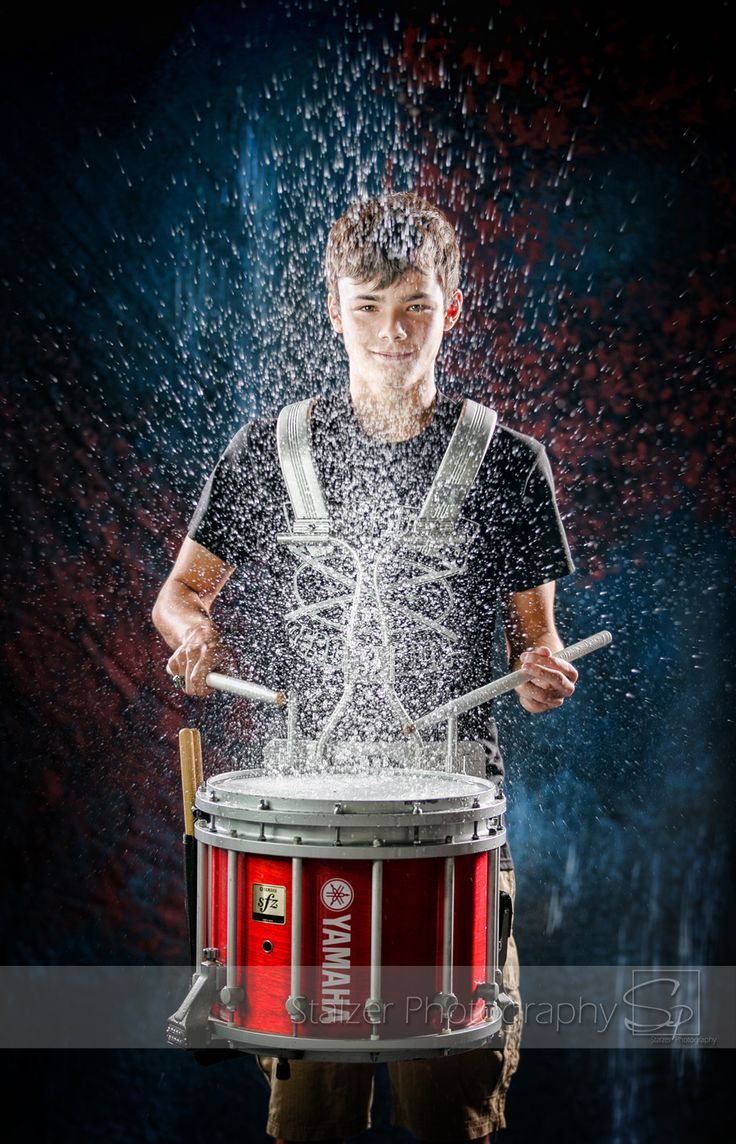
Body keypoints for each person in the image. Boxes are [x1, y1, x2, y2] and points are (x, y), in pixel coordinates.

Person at [152, 191, 578, 1143]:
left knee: (450, 1110)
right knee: (308, 1117)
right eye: (371, 306)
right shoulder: (270, 451)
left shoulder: (511, 463)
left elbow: (533, 646)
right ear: (333, 308)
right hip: (304, 828)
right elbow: (179, 597)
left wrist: (542, 672)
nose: (395, 332)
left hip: (455, 829)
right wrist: (192, 635)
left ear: (452, 308)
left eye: (418, 306)